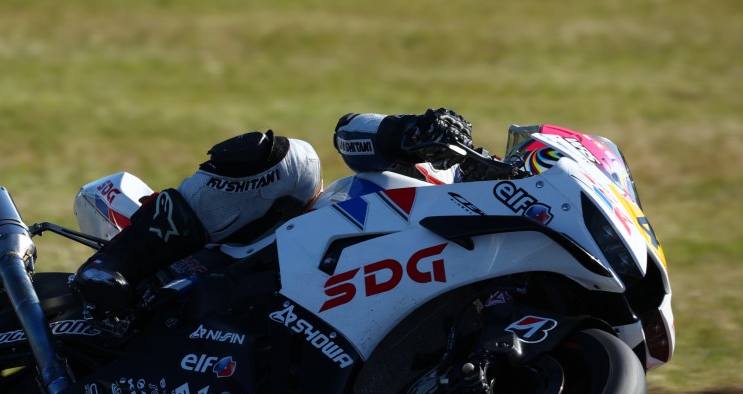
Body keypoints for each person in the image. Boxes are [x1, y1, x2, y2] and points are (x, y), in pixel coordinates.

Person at [74, 108, 499, 319]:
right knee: (296, 160)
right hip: (276, 251)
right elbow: (349, 132)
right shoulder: (445, 163)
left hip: (341, 322)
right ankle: (116, 263)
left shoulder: (511, 259)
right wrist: (407, 132)